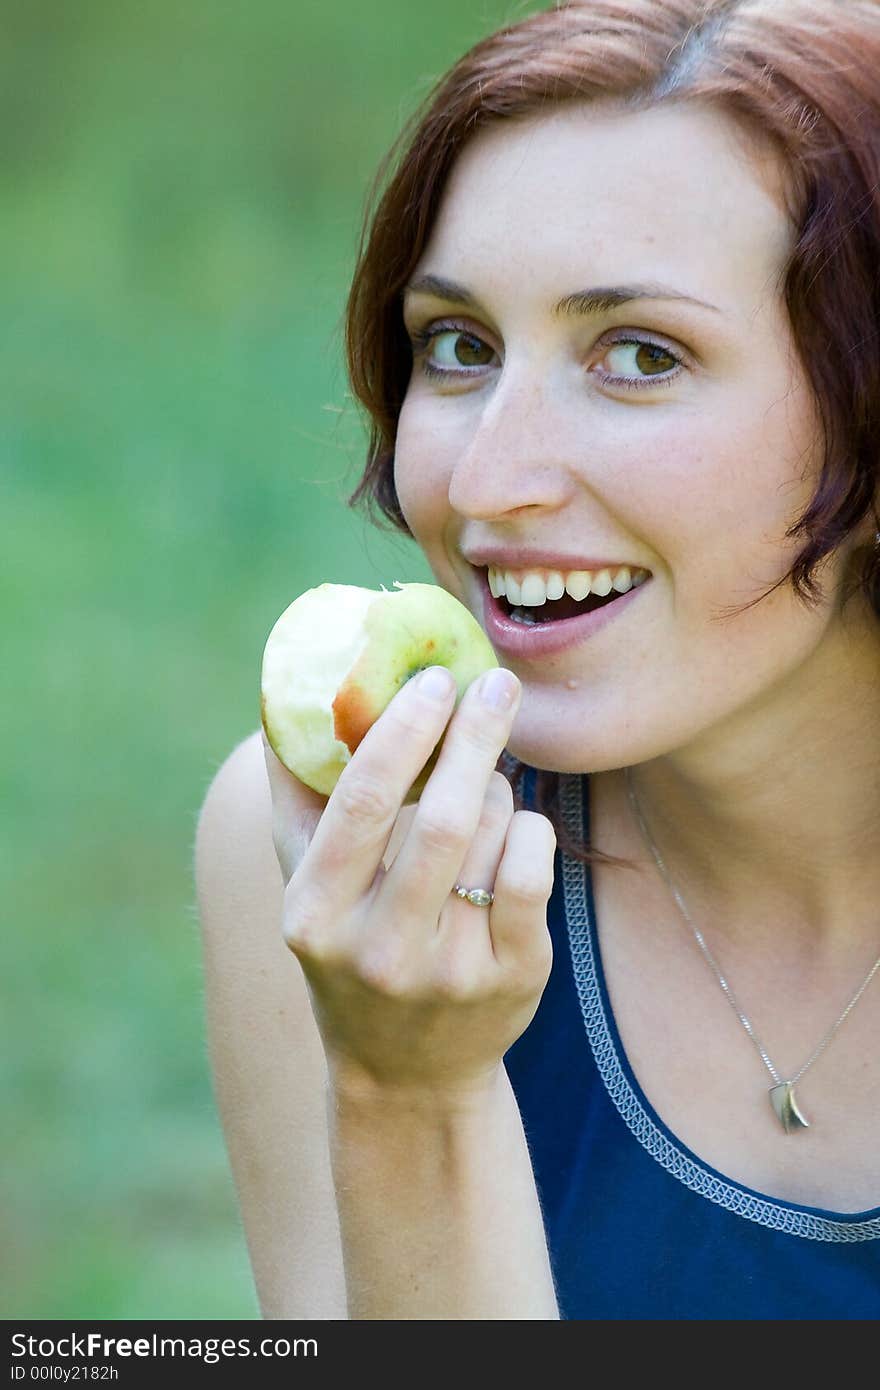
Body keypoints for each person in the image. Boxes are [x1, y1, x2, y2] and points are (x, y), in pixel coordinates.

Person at [194, 0, 880, 1319]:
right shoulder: (333, 854)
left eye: (640, 355)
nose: (485, 481)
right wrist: (410, 1088)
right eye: (459, 346)